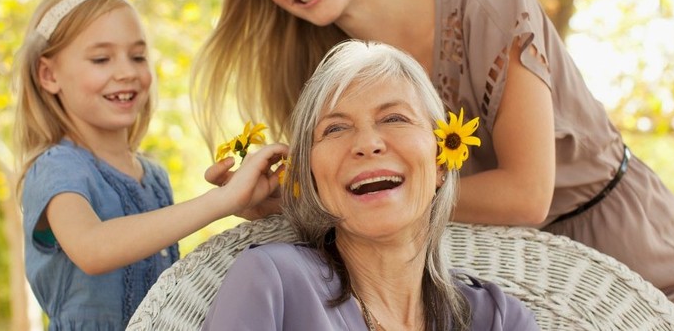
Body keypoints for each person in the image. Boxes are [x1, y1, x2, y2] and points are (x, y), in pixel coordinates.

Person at [193, 0, 674, 328]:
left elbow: (527, 194)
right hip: (487, 270)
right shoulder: (331, 78)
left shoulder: (490, 1)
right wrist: (284, 197)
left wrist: (356, 197)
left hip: (617, 243)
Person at [202, 40, 539, 330]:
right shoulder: (271, 281)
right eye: (335, 128)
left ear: (441, 161)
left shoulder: (500, 320)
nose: (367, 143)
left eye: (394, 118)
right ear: (311, 177)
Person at [13, 0, 287, 330]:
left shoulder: (154, 177)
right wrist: (220, 200)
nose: (127, 71)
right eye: (101, 58)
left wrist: (250, 204)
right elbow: (92, 248)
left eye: (138, 56)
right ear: (49, 75)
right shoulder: (55, 168)